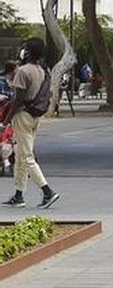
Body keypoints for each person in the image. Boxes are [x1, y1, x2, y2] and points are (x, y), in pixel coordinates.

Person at [2, 39, 58, 209]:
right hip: (35, 117)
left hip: (22, 117)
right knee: (20, 155)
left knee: (26, 157)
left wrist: (5, 121)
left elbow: (18, 99)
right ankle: (19, 195)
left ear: (26, 53)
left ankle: (47, 191)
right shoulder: (41, 71)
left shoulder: (23, 71)